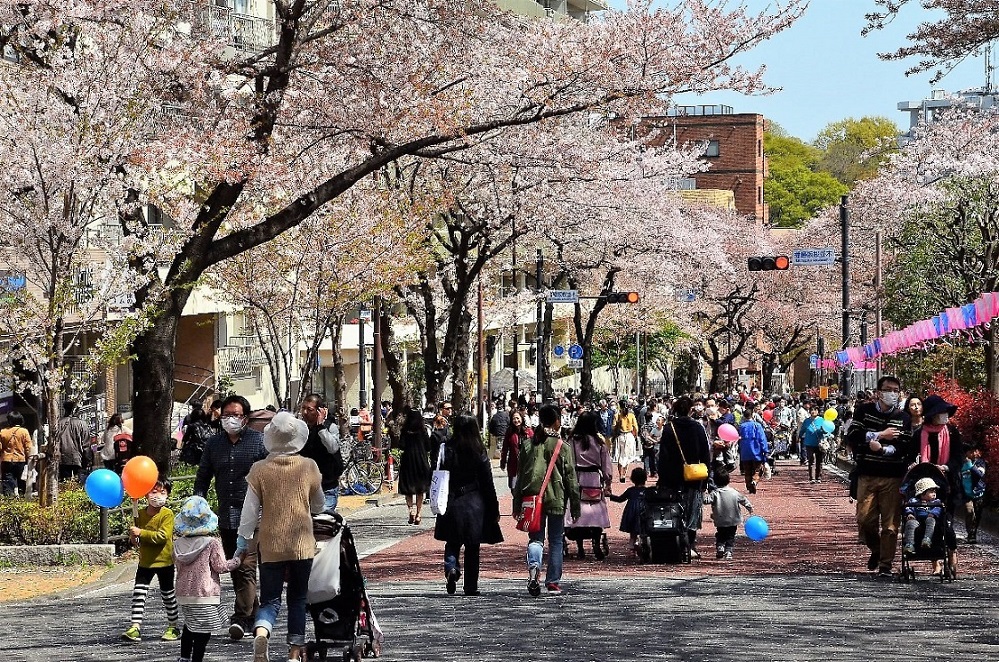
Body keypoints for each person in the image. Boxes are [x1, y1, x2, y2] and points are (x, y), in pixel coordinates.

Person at [237, 411, 325, 662]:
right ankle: (294, 653)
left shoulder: (259, 470)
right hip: (301, 545)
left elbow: (249, 512)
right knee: (297, 599)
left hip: (271, 544)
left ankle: (262, 632)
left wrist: (242, 541)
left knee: (270, 600)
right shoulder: (309, 466)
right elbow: (319, 506)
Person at [193, 394, 267, 640]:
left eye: (235, 415)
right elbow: (203, 477)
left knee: (245, 566)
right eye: (225, 415)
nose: (230, 420)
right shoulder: (214, 445)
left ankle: (241, 618)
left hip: (253, 517)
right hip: (226, 516)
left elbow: (270, 475)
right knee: (234, 568)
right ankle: (255, 614)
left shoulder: (258, 442)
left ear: (245, 418)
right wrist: (198, 504)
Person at [845, 375, 917, 577]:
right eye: (888, 389)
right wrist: (879, 435)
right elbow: (853, 435)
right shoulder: (864, 411)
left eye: (895, 390)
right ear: (878, 392)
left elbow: (905, 446)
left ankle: (885, 564)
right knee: (865, 519)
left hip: (893, 476)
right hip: (867, 474)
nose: (891, 394)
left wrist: (884, 450)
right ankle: (876, 549)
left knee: (890, 525)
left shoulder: (903, 418)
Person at [513, 403, 580, 596]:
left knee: (536, 538)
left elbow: (520, 478)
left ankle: (534, 569)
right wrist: (575, 507)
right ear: (557, 421)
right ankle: (552, 582)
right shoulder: (562, 446)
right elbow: (571, 479)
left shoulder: (527, 445)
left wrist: (517, 504)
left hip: (532, 499)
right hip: (556, 498)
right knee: (556, 540)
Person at [434, 415, 502, 596]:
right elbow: (488, 482)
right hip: (474, 502)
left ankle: (451, 568)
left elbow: (438, 473)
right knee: (473, 547)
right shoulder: (478, 450)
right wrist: (494, 508)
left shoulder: (447, 448)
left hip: (451, 499)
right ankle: (470, 586)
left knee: (452, 541)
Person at [173, 496, 243, 662]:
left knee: (189, 625)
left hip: (184, 592)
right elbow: (220, 567)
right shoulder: (212, 543)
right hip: (204, 593)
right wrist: (238, 560)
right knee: (203, 630)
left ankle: (184, 658)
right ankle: (197, 659)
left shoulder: (177, 544)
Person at [120, 479, 180, 643]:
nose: (158, 496)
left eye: (163, 492)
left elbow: (162, 537)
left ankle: (173, 626)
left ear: (168, 495)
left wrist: (141, 532)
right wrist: (134, 537)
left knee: (168, 595)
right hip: (145, 562)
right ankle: (135, 627)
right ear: (146, 494)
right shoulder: (139, 513)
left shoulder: (167, 514)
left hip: (164, 562)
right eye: (154, 492)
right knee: (139, 594)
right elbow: (137, 542)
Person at [657, 396, 712, 559]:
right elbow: (705, 454)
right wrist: (706, 478)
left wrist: (662, 477)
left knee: (673, 509)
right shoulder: (698, 427)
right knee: (693, 510)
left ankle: (674, 541)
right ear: (690, 410)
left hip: (672, 477)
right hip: (694, 476)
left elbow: (663, 456)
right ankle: (690, 544)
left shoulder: (669, 428)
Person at [564, 411, 613, 560]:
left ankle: (580, 548)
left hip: (577, 478)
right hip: (594, 479)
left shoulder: (572, 440)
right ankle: (596, 542)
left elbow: (568, 461)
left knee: (578, 513)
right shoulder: (599, 441)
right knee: (596, 512)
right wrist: (608, 481)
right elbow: (606, 464)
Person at [298, 394, 346, 514]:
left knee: (322, 525)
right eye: (303, 408)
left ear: (320, 411)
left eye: (309, 409)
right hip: (307, 488)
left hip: (327, 487)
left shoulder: (330, 427)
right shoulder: (302, 429)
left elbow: (333, 447)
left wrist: (320, 427)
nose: (305, 412)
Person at [914, 394, 963, 505]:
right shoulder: (919, 433)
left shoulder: (952, 432)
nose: (945, 414)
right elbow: (910, 456)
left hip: (947, 482)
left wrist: (946, 467)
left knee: (945, 516)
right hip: (924, 483)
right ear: (933, 415)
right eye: (941, 411)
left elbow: (959, 456)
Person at [703, 470, 753, 560]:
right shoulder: (734, 492)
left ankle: (720, 546)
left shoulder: (715, 493)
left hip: (720, 520)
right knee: (731, 536)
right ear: (728, 480)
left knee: (720, 534)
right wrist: (749, 507)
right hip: (733, 519)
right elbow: (743, 500)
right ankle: (728, 551)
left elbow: (706, 500)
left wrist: (702, 494)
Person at [397, 408, 433, 525]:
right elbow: (428, 447)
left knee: (408, 488)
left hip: (408, 461)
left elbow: (401, 446)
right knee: (420, 489)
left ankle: (411, 511)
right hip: (421, 461)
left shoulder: (405, 431)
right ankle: (418, 514)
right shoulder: (422, 431)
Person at [608, 466, 648, 555]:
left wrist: (610, 496)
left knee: (633, 530)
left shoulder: (631, 490)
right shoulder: (647, 491)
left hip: (631, 511)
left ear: (633, 479)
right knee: (644, 528)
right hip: (643, 510)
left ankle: (632, 544)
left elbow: (620, 499)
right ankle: (642, 543)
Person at [901, 478, 945, 555]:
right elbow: (908, 508)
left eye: (935, 491)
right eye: (931, 492)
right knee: (910, 523)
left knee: (930, 520)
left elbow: (938, 509)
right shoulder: (913, 501)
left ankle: (927, 539)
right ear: (922, 493)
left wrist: (933, 513)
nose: (934, 493)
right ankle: (909, 544)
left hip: (930, 518)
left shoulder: (936, 502)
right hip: (916, 519)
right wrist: (910, 514)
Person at [737, 401, 769, 494]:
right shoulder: (757, 425)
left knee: (747, 470)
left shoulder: (741, 426)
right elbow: (762, 439)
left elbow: (737, 438)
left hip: (745, 452)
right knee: (758, 469)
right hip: (756, 451)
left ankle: (749, 486)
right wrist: (765, 450)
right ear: (752, 415)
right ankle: (754, 481)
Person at [959, 443, 987, 544]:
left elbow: (980, 474)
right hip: (967, 494)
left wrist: (970, 465)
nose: (974, 454)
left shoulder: (980, 463)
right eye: (971, 452)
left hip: (978, 493)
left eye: (975, 451)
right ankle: (970, 533)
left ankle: (973, 533)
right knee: (969, 512)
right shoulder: (961, 464)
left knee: (978, 515)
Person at [57, 401, 90, 481]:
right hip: (78, 458)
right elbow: (86, 445)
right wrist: (87, 460)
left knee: (65, 482)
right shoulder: (82, 424)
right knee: (79, 482)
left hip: (62, 458)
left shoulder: (59, 424)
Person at [1, 412, 32, 496]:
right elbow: (28, 448)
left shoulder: (3, 432)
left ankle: (9, 500)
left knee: (8, 482)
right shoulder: (24, 432)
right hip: (20, 460)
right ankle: (22, 499)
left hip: (6, 460)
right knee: (21, 481)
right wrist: (29, 460)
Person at [500, 411, 532, 491]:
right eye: (514, 418)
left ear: (522, 419)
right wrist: (503, 461)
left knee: (525, 489)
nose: (516, 420)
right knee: (513, 487)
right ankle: (516, 502)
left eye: (517, 418)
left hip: (526, 465)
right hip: (513, 464)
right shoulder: (509, 432)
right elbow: (505, 448)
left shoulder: (528, 431)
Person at [611, 398, 640, 483]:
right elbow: (636, 427)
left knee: (620, 455)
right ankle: (624, 473)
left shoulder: (617, 415)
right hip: (629, 436)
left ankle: (621, 475)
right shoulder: (631, 415)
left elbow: (613, 427)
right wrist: (635, 436)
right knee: (627, 456)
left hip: (620, 436)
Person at [798, 402, 828, 484]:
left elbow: (826, 431)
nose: (813, 411)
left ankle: (818, 477)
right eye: (811, 410)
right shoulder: (806, 421)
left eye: (815, 410)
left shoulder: (822, 420)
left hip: (819, 444)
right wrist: (799, 437)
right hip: (809, 443)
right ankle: (812, 478)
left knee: (819, 461)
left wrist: (824, 431)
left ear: (818, 411)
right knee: (811, 461)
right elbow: (802, 430)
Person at [640, 414, 664, 480]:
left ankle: (648, 471)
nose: (657, 421)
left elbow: (643, 435)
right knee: (654, 459)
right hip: (655, 445)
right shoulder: (654, 427)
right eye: (657, 420)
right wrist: (654, 441)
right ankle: (654, 472)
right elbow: (649, 436)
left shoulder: (643, 426)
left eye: (659, 420)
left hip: (648, 445)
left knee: (647, 458)